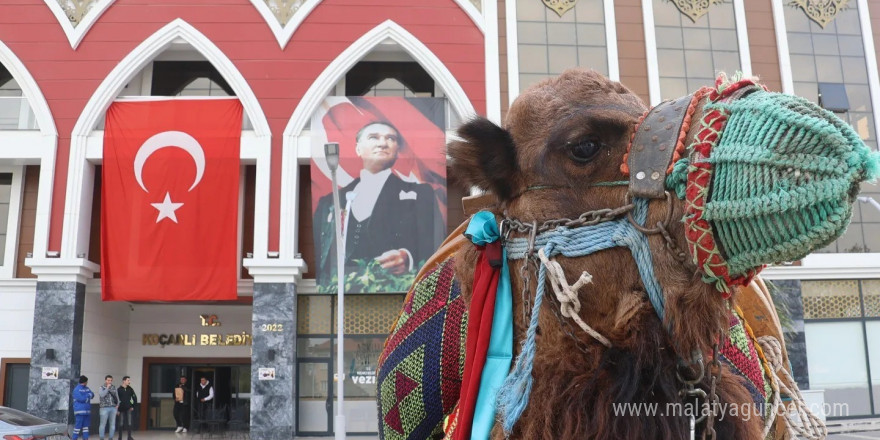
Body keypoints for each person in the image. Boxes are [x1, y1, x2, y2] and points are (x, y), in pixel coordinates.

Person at [313, 121, 443, 290]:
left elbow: (437, 241)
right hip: (339, 295)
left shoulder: (421, 194)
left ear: (397, 151)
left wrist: (409, 259)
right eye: (374, 137)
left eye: (390, 138)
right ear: (358, 149)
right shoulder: (330, 202)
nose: (383, 143)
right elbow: (320, 253)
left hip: (397, 291)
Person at [72, 375, 94, 440]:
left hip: (87, 412)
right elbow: (81, 399)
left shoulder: (86, 388)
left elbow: (92, 394)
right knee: (77, 427)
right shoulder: (76, 389)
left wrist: (87, 396)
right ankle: (74, 438)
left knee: (86, 427)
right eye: (87, 382)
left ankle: (85, 438)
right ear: (84, 382)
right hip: (80, 412)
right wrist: (88, 396)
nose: (87, 383)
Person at [98, 375, 119, 440]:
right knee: (102, 424)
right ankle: (101, 437)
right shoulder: (101, 387)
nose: (109, 382)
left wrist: (117, 406)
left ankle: (111, 437)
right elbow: (102, 395)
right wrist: (107, 388)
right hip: (104, 408)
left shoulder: (114, 387)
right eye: (108, 380)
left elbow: (117, 397)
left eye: (111, 380)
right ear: (105, 380)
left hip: (113, 407)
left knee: (112, 424)